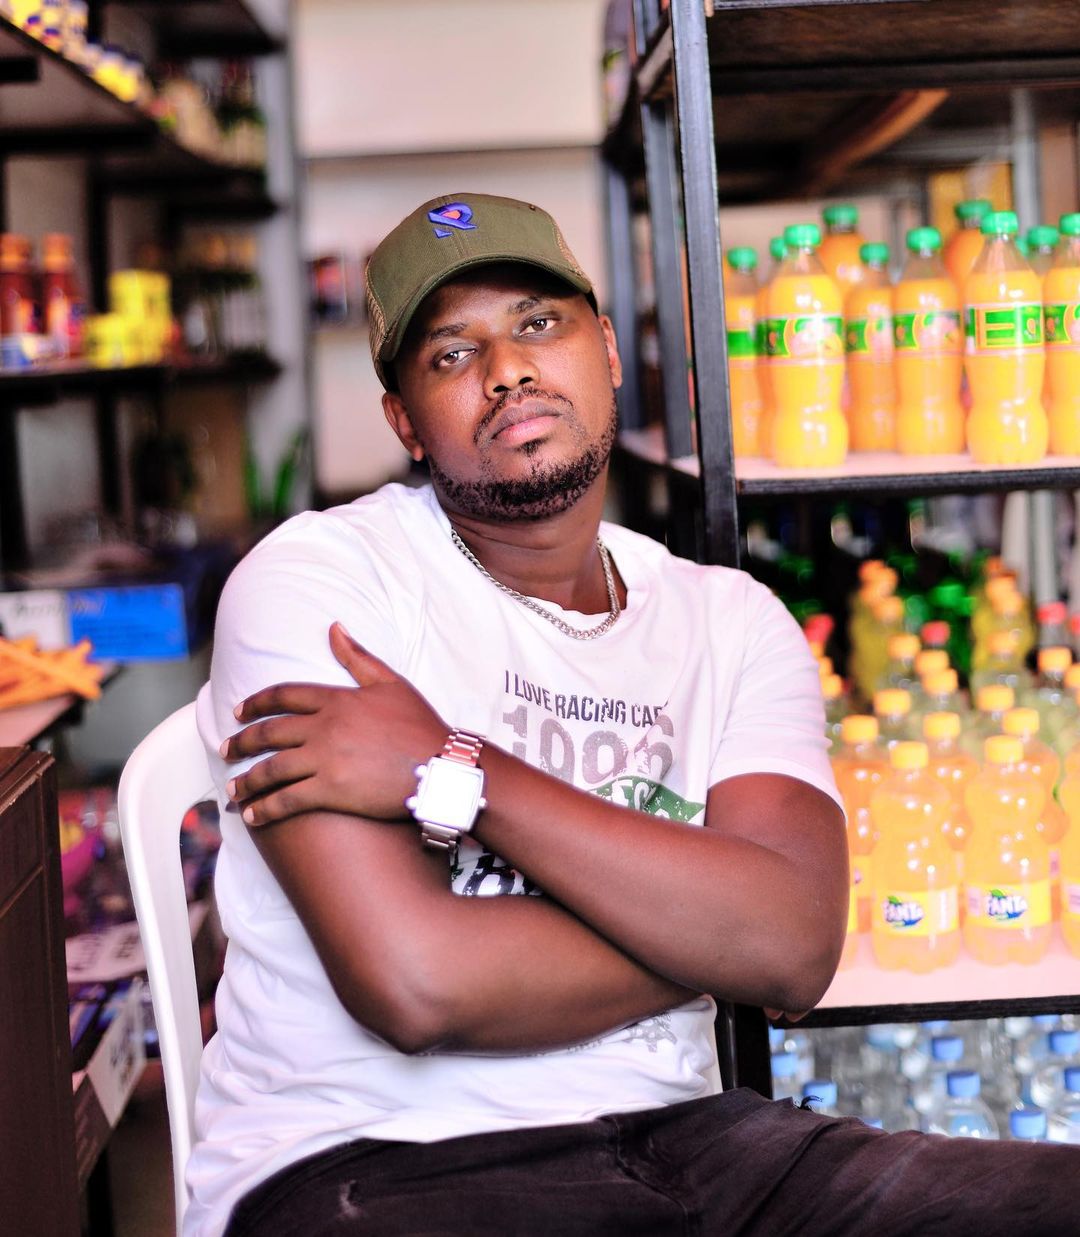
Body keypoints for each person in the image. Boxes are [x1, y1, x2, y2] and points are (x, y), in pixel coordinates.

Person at [191, 193, 1078, 1236]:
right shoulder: (322, 586)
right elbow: (417, 983)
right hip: (376, 1163)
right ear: (405, 424)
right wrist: (715, 929)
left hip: (701, 1145)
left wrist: (460, 768)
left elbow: (797, 946)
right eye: (452, 354)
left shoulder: (730, 621)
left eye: (538, 323)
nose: (507, 370)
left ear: (608, 351)